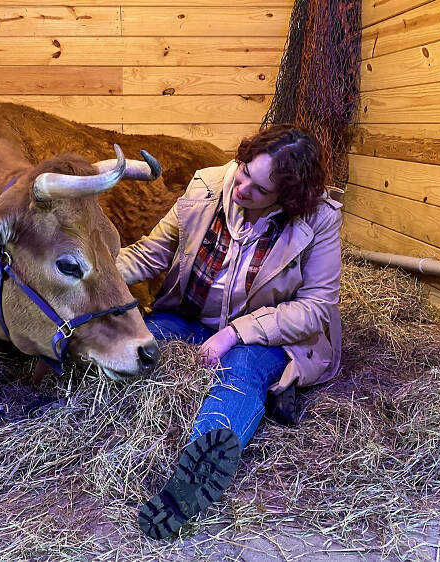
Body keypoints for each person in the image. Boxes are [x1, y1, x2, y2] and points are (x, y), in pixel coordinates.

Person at [115, 124, 343, 540]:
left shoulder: (319, 221)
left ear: (288, 198)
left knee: (241, 374)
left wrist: (235, 333)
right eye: (243, 171)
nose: (241, 188)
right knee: (137, 344)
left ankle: (191, 480)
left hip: (260, 334)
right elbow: (153, 254)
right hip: (187, 319)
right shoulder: (207, 185)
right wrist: (94, 280)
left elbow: (315, 309)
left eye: (258, 188)